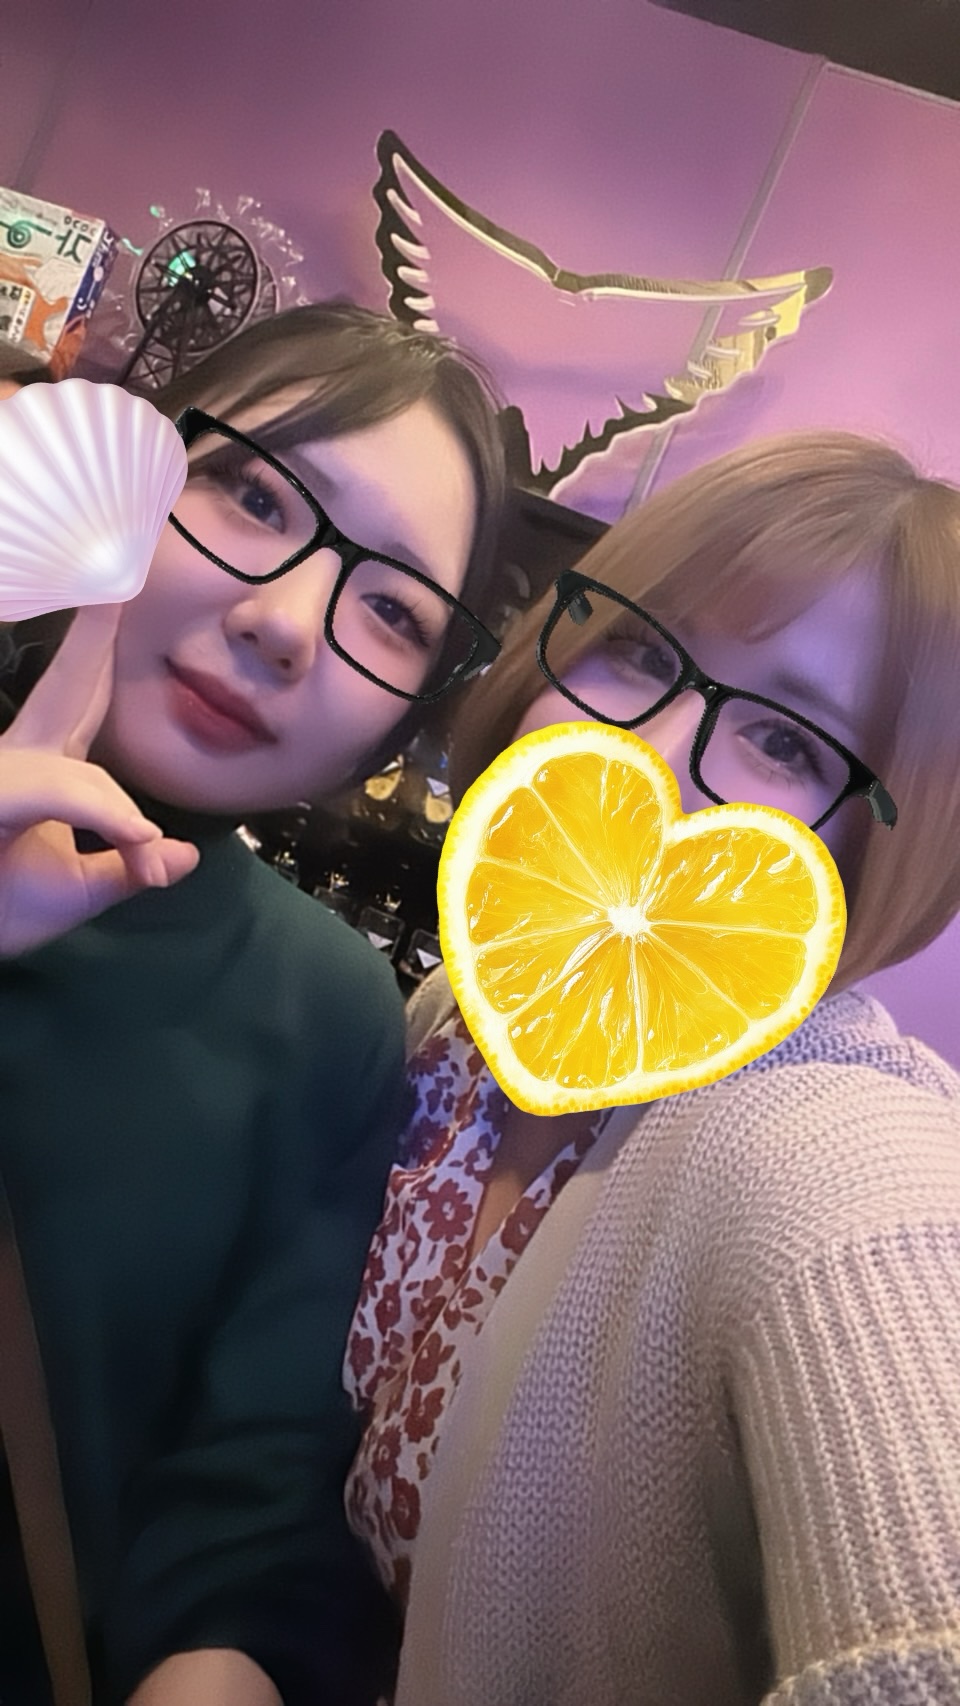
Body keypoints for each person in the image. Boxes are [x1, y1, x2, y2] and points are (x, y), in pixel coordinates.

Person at [344, 431, 960, 1705]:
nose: (649, 751)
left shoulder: (829, 1151)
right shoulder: (459, 1020)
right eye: (637, 648)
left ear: (885, 847)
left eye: (786, 740)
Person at [0, 300, 505, 1706]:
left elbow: (254, 1489)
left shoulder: (323, 1009)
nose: (286, 623)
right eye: (256, 495)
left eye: (392, 610)